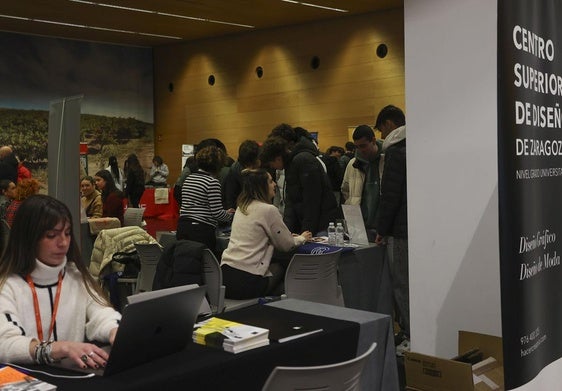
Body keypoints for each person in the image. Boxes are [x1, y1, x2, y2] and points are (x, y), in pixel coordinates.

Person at [0, 195, 121, 367]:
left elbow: (101, 313)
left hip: (72, 377)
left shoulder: (75, 275)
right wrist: (58, 348)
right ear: (28, 238)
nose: (63, 242)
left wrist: (115, 331)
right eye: (51, 235)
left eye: (67, 233)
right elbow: (5, 343)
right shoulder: (8, 285)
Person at [221, 169, 311, 299]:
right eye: (270, 181)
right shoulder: (268, 210)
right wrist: (302, 238)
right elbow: (286, 245)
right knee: (283, 270)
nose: (275, 184)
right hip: (246, 282)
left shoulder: (242, 207)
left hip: (225, 276)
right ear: (261, 186)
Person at [260, 125, 340, 235]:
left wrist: (306, 232)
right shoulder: (291, 163)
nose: (273, 168)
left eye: (271, 164)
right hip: (308, 224)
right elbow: (292, 201)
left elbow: (312, 201)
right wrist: (287, 233)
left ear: (278, 158)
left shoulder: (303, 160)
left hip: (320, 225)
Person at [373, 105, 408, 354]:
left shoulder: (396, 152)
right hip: (417, 226)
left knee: (401, 284)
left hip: (399, 230)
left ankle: (409, 334)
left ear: (388, 124)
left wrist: (381, 229)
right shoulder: (418, 144)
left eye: (382, 130)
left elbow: (390, 195)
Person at [177, 146, 234, 251]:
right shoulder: (212, 182)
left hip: (183, 227)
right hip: (200, 231)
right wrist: (230, 215)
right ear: (218, 165)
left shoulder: (189, 178)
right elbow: (217, 213)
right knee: (205, 264)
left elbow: (198, 206)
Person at [340, 125, 384, 240]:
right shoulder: (352, 164)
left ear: (373, 140)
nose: (360, 150)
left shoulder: (387, 160)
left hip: (382, 227)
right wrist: (351, 203)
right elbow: (345, 190)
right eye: (357, 147)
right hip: (359, 227)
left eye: (363, 146)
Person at [222, 140, 261, 209]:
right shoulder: (235, 170)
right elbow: (230, 198)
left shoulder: (265, 165)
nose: (250, 168)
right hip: (243, 208)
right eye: (247, 165)